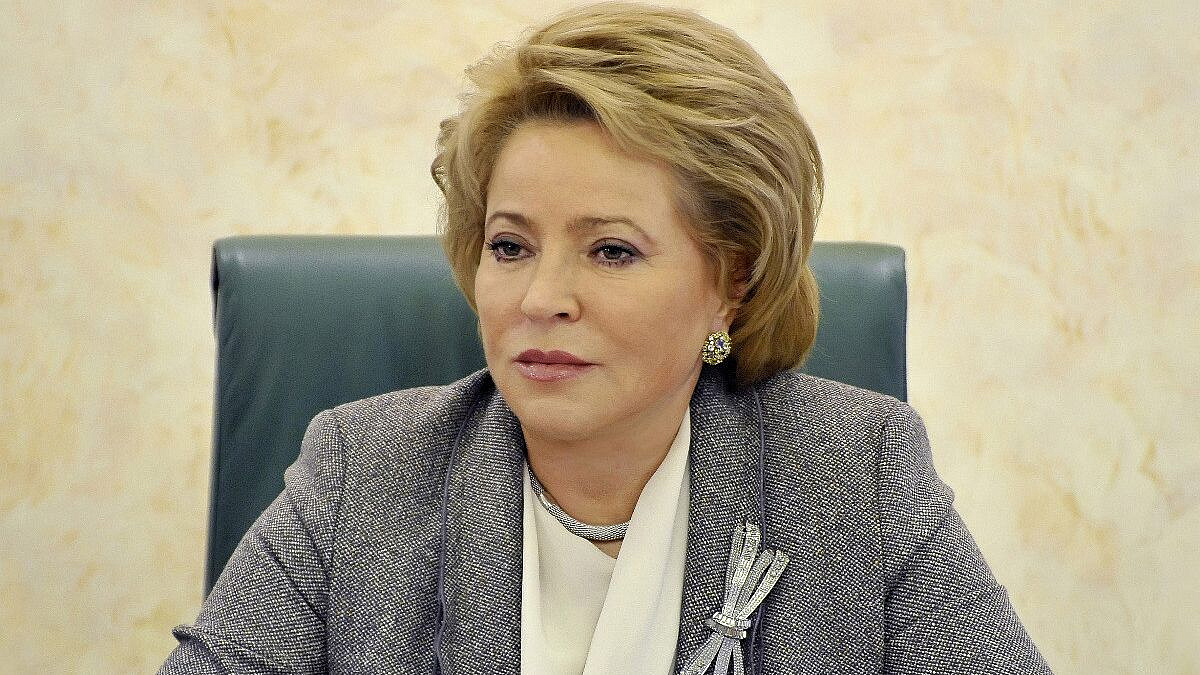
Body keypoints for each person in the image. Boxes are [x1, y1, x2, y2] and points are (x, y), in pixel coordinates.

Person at [160, 3, 1051, 673]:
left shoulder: (857, 472)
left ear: (731, 284)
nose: (541, 297)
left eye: (612, 251)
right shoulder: (362, 474)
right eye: (510, 246)